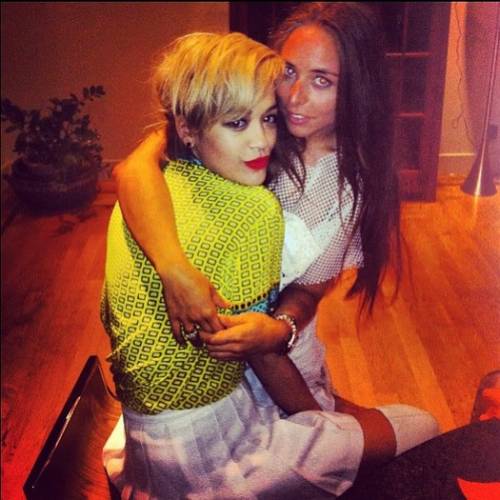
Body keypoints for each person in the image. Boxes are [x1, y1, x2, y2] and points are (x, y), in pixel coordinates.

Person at [106, 3, 440, 498]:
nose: (294, 97)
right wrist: (176, 270)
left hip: (278, 356)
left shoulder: (350, 180)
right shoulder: (233, 121)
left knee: (371, 425)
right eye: (288, 72)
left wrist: (280, 328)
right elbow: (133, 170)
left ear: (357, 90)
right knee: (401, 428)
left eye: (322, 80)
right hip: (222, 380)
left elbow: (311, 288)